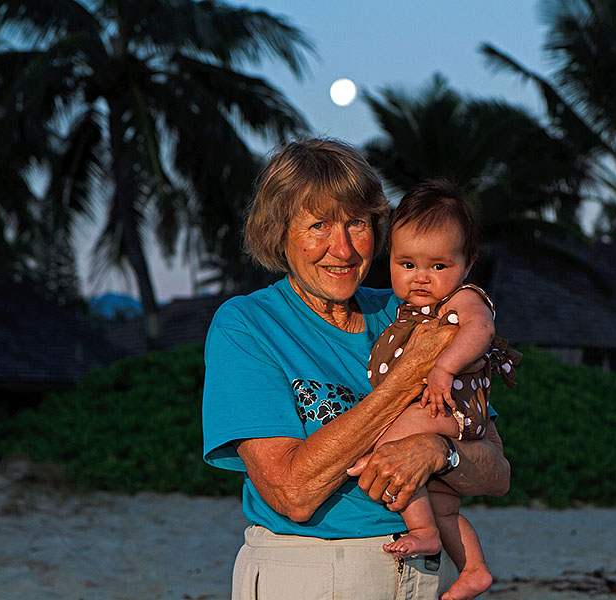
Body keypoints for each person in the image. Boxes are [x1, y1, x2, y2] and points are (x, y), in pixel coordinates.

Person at [201, 138, 511, 600]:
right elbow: (293, 494)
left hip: (421, 575)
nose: (342, 248)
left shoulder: (411, 311)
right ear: (279, 232)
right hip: (308, 572)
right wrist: (408, 377)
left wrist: (438, 451)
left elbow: (496, 472)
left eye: (356, 223)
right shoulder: (247, 324)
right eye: (318, 225)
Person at [366, 180, 520, 600]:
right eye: (407, 264)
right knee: (444, 500)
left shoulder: (463, 299)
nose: (421, 278)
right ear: (390, 259)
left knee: (386, 436)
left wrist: (444, 368)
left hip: (452, 406)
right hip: (443, 409)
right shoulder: (408, 311)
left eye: (438, 266)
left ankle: (422, 531)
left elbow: (480, 330)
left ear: (467, 263)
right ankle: (473, 568)